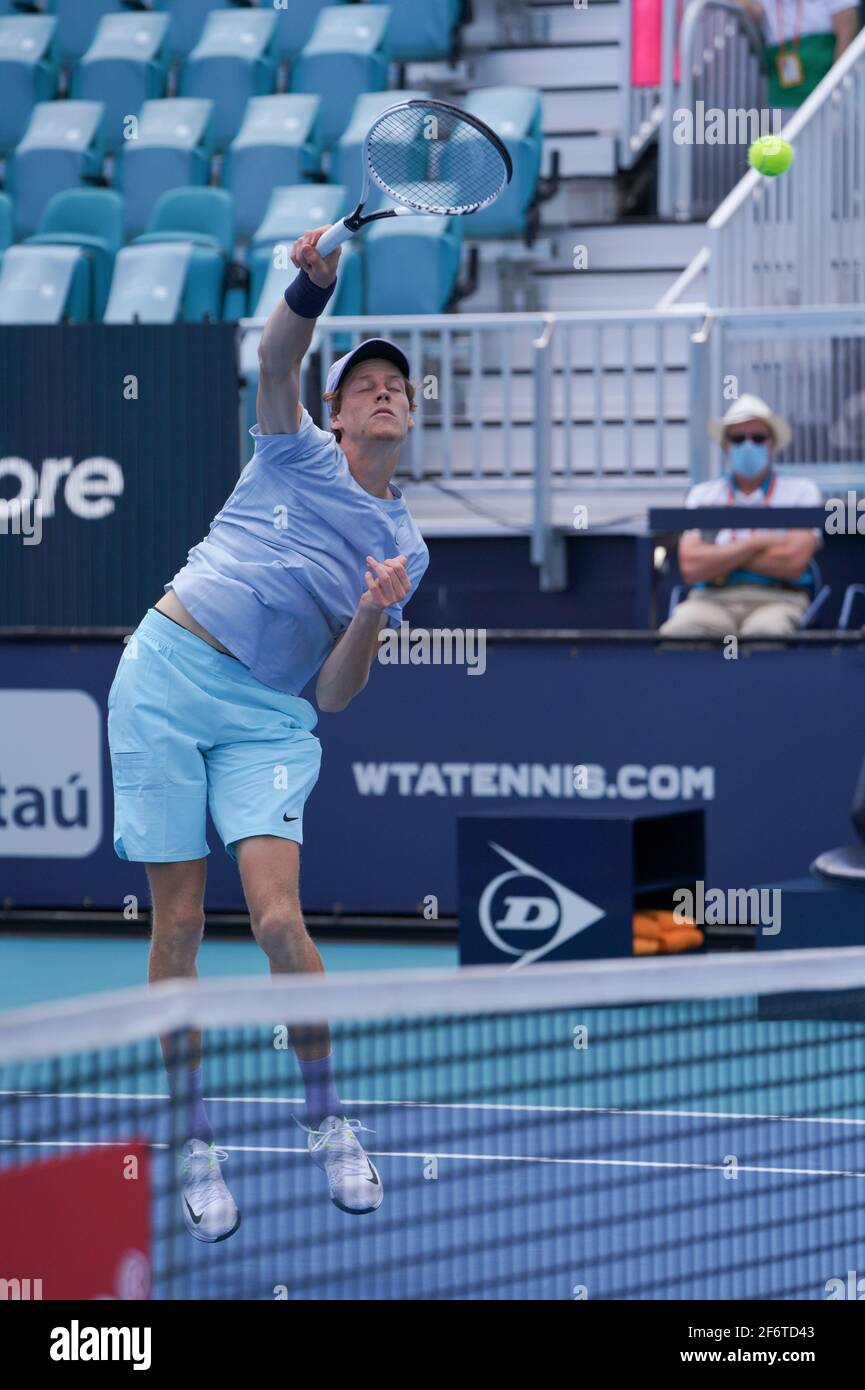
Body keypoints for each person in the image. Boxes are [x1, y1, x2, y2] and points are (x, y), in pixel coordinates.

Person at [107, 224, 429, 1240]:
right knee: (179, 924)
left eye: (399, 388)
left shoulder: (403, 546)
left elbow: (335, 696)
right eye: (365, 384)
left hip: (270, 717)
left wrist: (374, 610)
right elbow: (277, 355)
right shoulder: (289, 449)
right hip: (164, 675)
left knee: (279, 921)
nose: (384, 393)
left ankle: (327, 1119)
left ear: (410, 419)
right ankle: (194, 1134)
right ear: (333, 413)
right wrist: (310, 281)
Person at [659, 394, 822, 637]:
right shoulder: (703, 495)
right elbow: (692, 566)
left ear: (772, 444)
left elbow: (793, 563)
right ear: (725, 446)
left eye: (757, 438)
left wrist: (720, 559)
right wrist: (760, 543)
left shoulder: (801, 491)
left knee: (765, 633)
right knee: (678, 633)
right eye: (738, 438)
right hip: (710, 600)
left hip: (779, 599)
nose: (748, 445)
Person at [738, 0, 859, 115]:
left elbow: (847, 36)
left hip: (827, 96)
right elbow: (750, 10)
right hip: (783, 96)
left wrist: (837, 91)